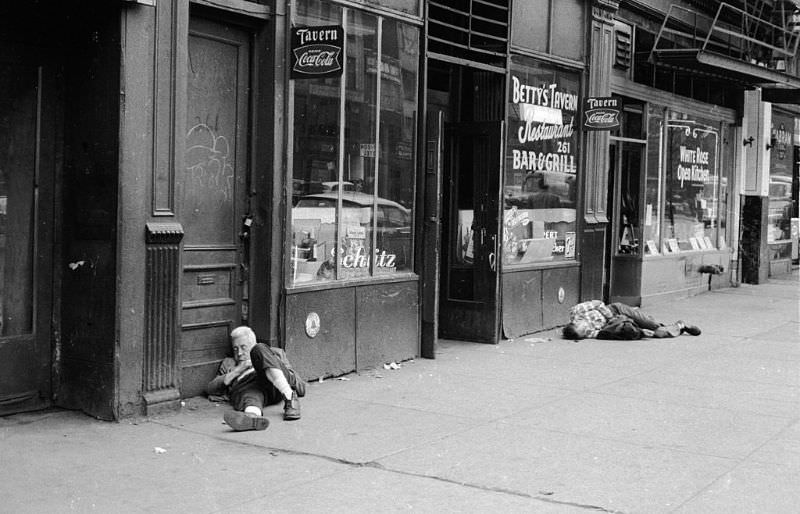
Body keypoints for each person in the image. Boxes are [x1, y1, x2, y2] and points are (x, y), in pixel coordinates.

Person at [207, 326, 306, 432]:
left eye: (243, 347)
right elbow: (210, 389)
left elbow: (300, 387)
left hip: (275, 387)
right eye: (235, 349)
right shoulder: (229, 363)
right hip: (248, 388)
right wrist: (238, 370)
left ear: (252, 345)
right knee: (251, 391)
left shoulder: (274, 353)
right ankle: (252, 417)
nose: (239, 353)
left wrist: (268, 364)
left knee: (260, 349)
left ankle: (289, 396)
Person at [562, 299, 701, 340]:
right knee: (656, 333)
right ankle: (680, 326)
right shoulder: (586, 333)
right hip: (617, 321)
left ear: (575, 322)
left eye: (584, 328)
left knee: (651, 324)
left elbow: (598, 303)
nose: (587, 330)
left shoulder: (576, 311)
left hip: (616, 310)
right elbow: (602, 333)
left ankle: (676, 326)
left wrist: (610, 316)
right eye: (584, 333)